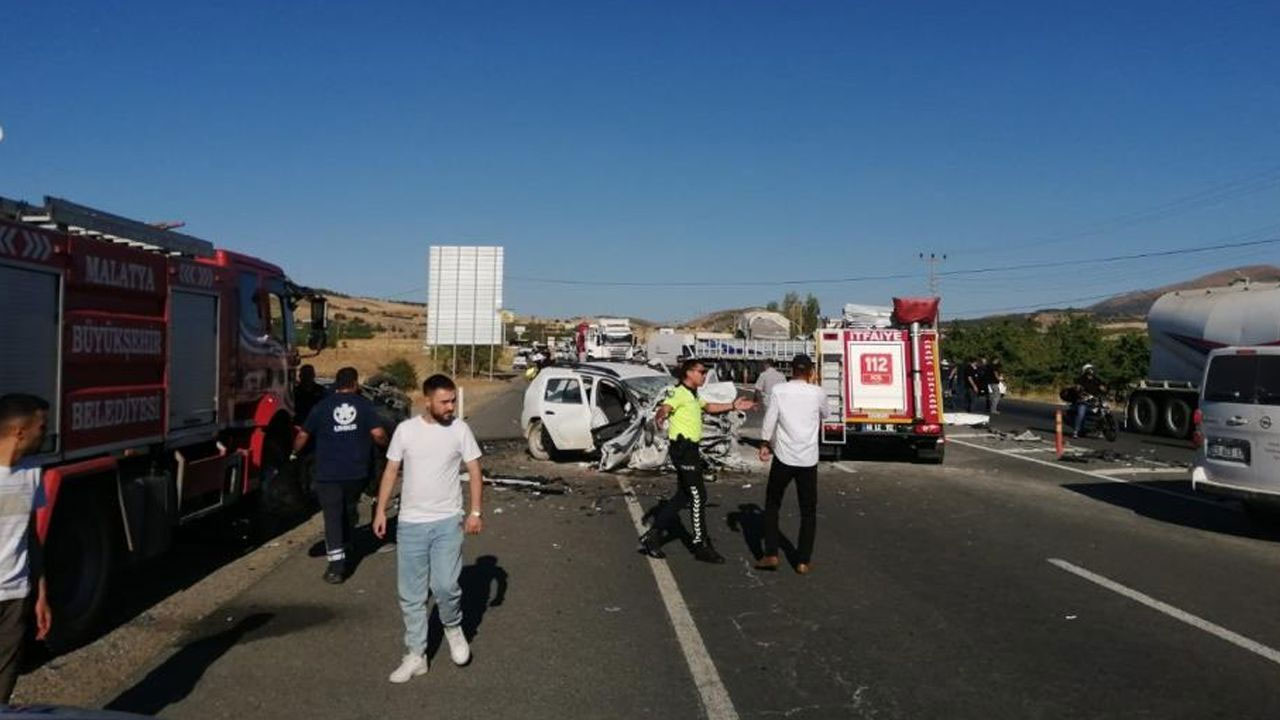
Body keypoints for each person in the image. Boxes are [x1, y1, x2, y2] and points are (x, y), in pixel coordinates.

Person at [373, 374, 484, 684]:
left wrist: (475, 512)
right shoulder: (406, 432)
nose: (451, 407)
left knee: (446, 586)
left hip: (448, 521)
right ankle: (416, 655)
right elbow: (392, 470)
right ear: (428, 402)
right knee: (411, 595)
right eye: (445, 402)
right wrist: (381, 510)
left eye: (453, 401)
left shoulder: (460, 430)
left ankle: (452, 627)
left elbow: (475, 471)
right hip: (410, 524)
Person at [639, 359, 755, 563]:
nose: (704, 375)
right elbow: (665, 407)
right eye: (701, 371)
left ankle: (652, 537)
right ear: (689, 373)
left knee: (683, 497)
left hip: (691, 450)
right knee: (698, 496)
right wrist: (660, 417)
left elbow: (708, 407)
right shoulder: (678, 392)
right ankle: (701, 545)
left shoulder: (694, 395)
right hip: (683, 450)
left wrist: (732, 405)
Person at [292, 367, 388, 584]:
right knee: (347, 507)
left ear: (336, 384)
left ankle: (336, 566)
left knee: (332, 515)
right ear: (354, 383)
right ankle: (346, 542)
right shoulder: (364, 405)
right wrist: (386, 447)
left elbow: (303, 435)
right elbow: (378, 434)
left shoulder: (321, 407)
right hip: (356, 472)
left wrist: (293, 454)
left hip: (328, 473)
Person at [0, 394, 52, 702]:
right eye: (41, 427)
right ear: (20, 432)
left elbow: (31, 536)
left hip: (16, 597)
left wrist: (41, 594)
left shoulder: (33, 472)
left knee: (3, 688)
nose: (45, 433)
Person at [755, 355, 828, 575]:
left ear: (792, 370)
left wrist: (764, 442)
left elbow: (771, 418)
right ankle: (803, 560)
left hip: (784, 456)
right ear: (811, 372)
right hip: (808, 459)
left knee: (772, 504)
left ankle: (771, 554)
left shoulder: (780, 390)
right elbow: (826, 414)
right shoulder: (818, 392)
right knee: (808, 510)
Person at [1071, 363, 1108, 438]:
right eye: (1089, 370)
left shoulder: (1096, 380)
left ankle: (1100, 431)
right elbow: (1077, 387)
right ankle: (1076, 431)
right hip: (1084, 401)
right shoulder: (1081, 379)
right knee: (1081, 413)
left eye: (1092, 370)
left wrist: (1104, 389)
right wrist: (1079, 390)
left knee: (1103, 413)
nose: (1091, 372)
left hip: (1095, 401)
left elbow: (1102, 387)